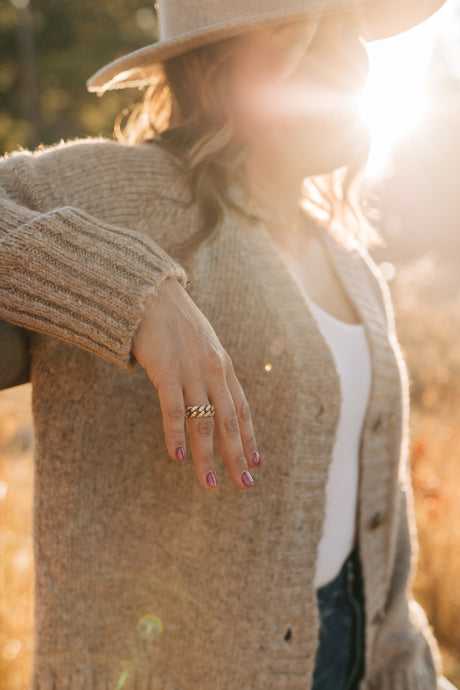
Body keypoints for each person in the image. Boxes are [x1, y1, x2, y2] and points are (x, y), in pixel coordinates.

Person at [0, 0, 454, 688]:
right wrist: (134, 293)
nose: (347, 61)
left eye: (348, 30)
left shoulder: (354, 266)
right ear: (215, 73)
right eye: (300, 33)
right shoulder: (129, 193)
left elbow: (374, 568)